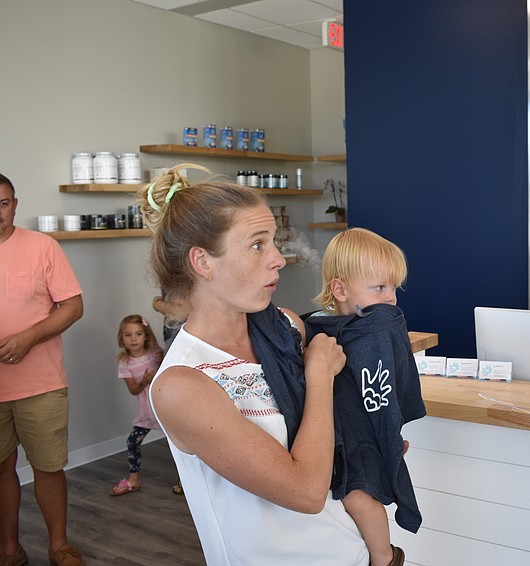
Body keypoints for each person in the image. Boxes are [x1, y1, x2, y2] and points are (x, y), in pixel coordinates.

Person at [139, 164, 369, 565]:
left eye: (274, 243)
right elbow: (306, 492)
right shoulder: (183, 384)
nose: (278, 259)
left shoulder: (286, 329)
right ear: (203, 262)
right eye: (258, 245)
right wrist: (318, 376)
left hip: (348, 548)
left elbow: (329, 437)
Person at [306, 228, 426, 566]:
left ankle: (384, 557)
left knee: (359, 495)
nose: (391, 298)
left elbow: (389, 384)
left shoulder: (379, 329)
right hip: (332, 436)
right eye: (380, 288)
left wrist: (388, 431)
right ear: (340, 289)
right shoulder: (317, 329)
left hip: (363, 436)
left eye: (394, 288)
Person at [0, 174, 86, 566]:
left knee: (48, 468)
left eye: (2, 203)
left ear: (15, 204)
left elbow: (72, 306)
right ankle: (9, 550)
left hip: (40, 384)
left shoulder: (42, 247)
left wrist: (28, 338)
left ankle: (58, 546)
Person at [109, 315, 164, 496]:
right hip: (146, 414)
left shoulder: (155, 354)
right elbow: (133, 390)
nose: (133, 339)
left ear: (146, 336)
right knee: (132, 442)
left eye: (138, 334)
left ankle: (185, 481)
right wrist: (145, 381)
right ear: (121, 338)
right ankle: (134, 479)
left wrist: (161, 361)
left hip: (164, 412)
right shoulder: (125, 363)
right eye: (128, 335)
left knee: (179, 446)